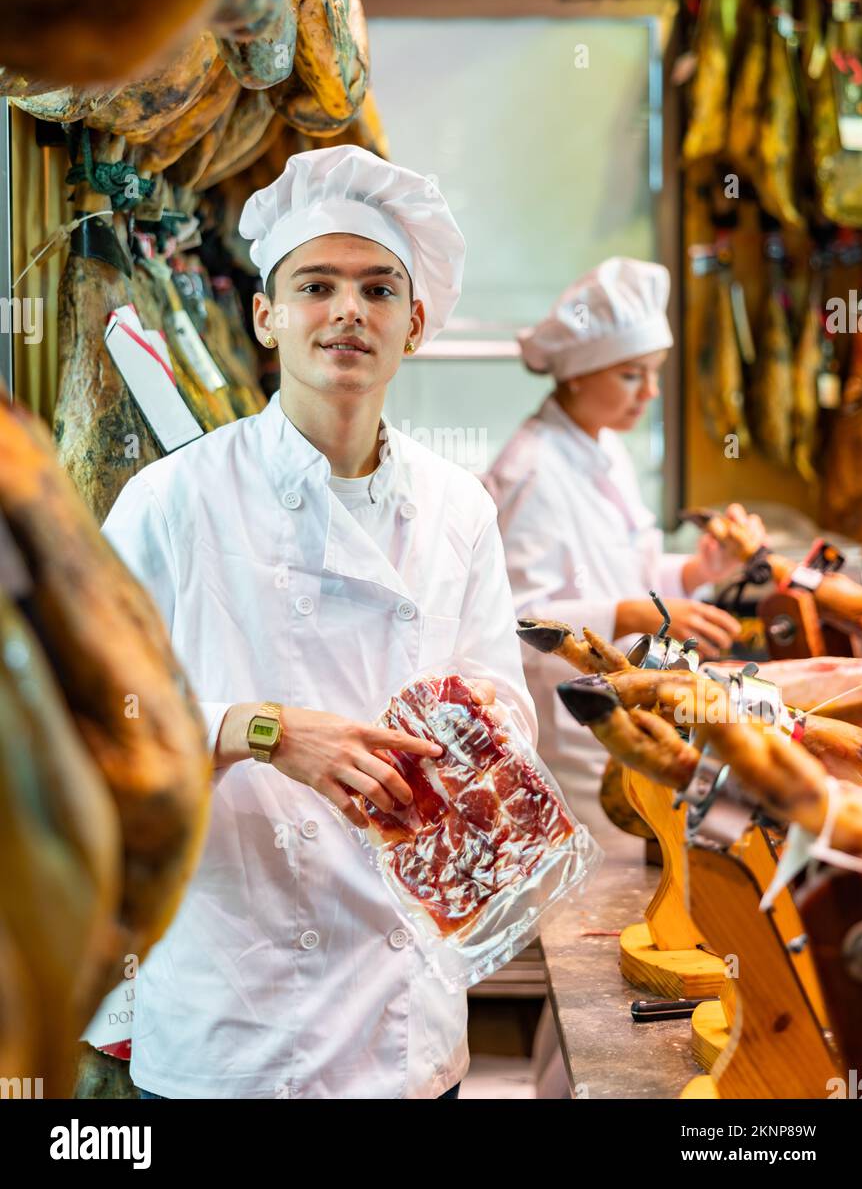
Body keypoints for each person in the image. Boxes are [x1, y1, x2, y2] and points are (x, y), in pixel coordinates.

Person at [101, 144, 538, 1099]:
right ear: (266, 315)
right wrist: (262, 731)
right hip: (236, 1019)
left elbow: (505, 697)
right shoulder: (171, 501)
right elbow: (84, 721)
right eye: (317, 285)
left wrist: (481, 739)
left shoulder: (459, 506)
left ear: (413, 324)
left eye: (380, 288)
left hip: (407, 1016)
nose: (349, 309)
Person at [484, 257, 764, 830]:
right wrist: (631, 613)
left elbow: (624, 568)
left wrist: (696, 571)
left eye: (654, 373)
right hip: (577, 742)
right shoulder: (532, 470)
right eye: (632, 374)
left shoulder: (603, 447)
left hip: (630, 712)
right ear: (579, 372)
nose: (650, 393)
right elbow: (510, 624)